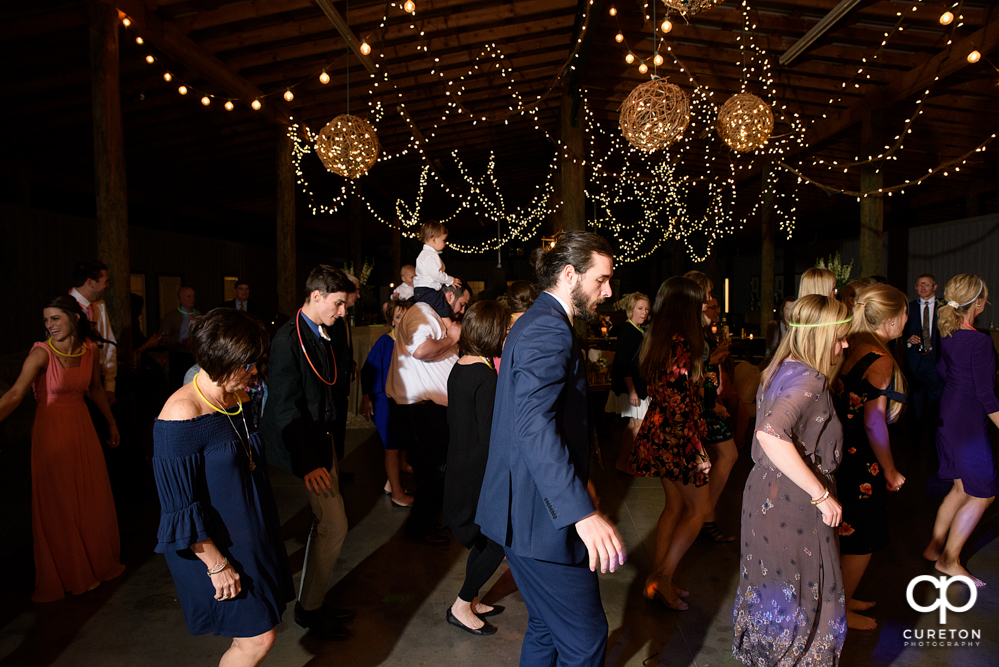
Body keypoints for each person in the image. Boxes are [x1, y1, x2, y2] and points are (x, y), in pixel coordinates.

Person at [477, 231, 626, 666]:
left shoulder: (537, 320)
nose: (608, 290)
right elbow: (532, 425)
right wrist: (579, 511)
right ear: (568, 274)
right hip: (538, 519)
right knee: (585, 639)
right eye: (601, 280)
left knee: (545, 628)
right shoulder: (547, 328)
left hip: (524, 512)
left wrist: (582, 483)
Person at [152, 309, 292, 665]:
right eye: (247, 364)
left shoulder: (238, 397)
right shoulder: (181, 413)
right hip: (208, 545)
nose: (254, 371)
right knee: (256, 639)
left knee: (260, 632)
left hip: (247, 530)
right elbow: (177, 508)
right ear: (221, 360)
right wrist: (216, 564)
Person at [732, 294, 848, 666]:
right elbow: (770, 433)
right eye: (840, 337)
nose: (845, 345)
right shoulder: (810, 379)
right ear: (820, 336)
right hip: (793, 505)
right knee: (805, 603)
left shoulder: (781, 366)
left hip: (764, 495)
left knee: (775, 597)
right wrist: (820, 495)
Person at [0, 296, 124, 602]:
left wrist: (111, 424)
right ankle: (72, 572)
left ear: (74, 318)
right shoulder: (41, 353)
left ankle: (95, 565)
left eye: (55, 318)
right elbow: (15, 394)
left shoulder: (89, 349)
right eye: (46, 320)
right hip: (51, 433)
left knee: (89, 498)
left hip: (82, 430)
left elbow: (95, 389)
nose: (49, 325)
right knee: (61, 504)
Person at [259, 266, 357, 640]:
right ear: (316, 296)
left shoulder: (322, 330)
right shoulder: (287, 339)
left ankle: (312, 602)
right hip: (308, 445)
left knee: (329, 524)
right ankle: (309, 609)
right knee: (335, 524)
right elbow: (285, 409)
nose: (343, 312)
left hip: (322, 437)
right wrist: (309, 463)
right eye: (338, 304)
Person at [629, 277, 711, 609]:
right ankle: (663, 576)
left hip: (660, 432)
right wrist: (698, 450)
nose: (704, 306)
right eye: (699, 302)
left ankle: (659, 579)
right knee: (699, 509)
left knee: (675, 507)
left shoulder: (659, 339)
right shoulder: (681, 344)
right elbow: (680, 404)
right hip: (678, 437)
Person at [832, 283, 908, 630]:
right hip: (860, 455)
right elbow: (874, 422)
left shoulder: (852, 345)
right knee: (862, 537)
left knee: (845, 532)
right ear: (890, 321)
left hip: (837, 449)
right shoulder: (880, 359)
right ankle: (839, 613)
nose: (907, 320)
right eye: (904, 313)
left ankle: (842, 598)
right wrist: (890, 471)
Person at [922, 274, 998, 587]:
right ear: (978, 303)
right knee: (984, 493)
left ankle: (934, 547)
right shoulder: (979, 341)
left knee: (960, 488)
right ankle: (948, 560)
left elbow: (942, 370)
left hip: (948, 416)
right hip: (967, 423)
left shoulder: (949, 332)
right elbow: (986, 394)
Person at [387, 280, 470, 545]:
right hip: (420, 411)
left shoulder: (434, 316)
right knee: (432, 472)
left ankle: (428, 523)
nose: (462, 310)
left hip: (428, 410)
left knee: (435, 471)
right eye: (462, 303)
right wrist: (452, 339)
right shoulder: (422, 311)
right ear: (448, 295)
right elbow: (421, 350)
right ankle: (421, 529)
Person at [443, 299, 509, 635]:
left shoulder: (460, 368)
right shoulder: (486, 376)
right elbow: (489, 438)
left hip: (459, 468)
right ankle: (461, 604)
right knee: (496, 542)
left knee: (485, 540)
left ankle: (472, 598)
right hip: (477, 475)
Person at [361, 299, 414, 507]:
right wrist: (367, 397)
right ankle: (397, 493)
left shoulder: (410, 342)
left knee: (400, 440)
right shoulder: (384, 343)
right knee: (391, 446)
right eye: (398, 316)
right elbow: (369, 371)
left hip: (402, 399)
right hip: (384, 400)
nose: (402, 321)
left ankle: (390, 483)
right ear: (392, 319)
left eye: (405, 316)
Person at [701, 294, 738, 544]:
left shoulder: (704, 332)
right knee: (728, 454)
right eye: (712, 305)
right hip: (703, 404)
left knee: (714, 459)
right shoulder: (692, 332)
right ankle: (703, 514)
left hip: (708, 399)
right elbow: (693, 370)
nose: (716, 309)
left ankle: (706, 516)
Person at [607, 292, 651, 474]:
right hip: (632, 386)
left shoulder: (637, 329)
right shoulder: (628, 330)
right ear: (631, 309)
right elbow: (623, 362)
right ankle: (624, 461)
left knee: (634, 424)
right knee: (637, 424)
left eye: (647, 309)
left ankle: (625, 461)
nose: (644, 312)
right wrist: (632, 390)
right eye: (640, 308)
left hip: (636, 385)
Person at [69, 260, 118, 402]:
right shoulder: (66, 306)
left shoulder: (99, 306)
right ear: (90, 282)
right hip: (76, 381)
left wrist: (110, 385)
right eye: (105, 281)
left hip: (99, 378)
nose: (107, 286)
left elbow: (109, 343)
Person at [329, 274, 360, 468]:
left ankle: (338, 466)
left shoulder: (343, 315)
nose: (358, 295)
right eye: (355, 291)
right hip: (333, 383)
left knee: (340, 428)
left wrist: (352, 363)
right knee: (334, 428)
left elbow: (344, 346)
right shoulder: (332, 317)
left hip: (342, 380)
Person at [904, 274, 944, 423]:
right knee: (915, 405)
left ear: (935, 287)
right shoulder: (910, 307)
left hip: (936, 361)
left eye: (926, 284)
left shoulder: (944, 307)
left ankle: (936, 437)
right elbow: (900, 333)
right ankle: (914, 439)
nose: (922, 288)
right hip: (916, 362)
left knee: (937, 403)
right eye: (919, 285)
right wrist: (908, 340)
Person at [413, 221, 462, 329]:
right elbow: (436, 274)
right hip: (426, 290)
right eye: (443, 240)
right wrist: (450, 280)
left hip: (423, 290)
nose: (445, 243)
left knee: (438, 303)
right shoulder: (430, 255)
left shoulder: (428, 254)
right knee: (441, 304)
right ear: (433, 239)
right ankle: (448, 326)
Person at [160, 286, 200, 389]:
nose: (192, 299)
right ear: (180, 299)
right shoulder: (172, 317)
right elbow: (163, 338)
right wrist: (180, 341)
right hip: (177, 356)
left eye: (193, 296)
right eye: (188, 296)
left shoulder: (199, 315)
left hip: (195, 356)